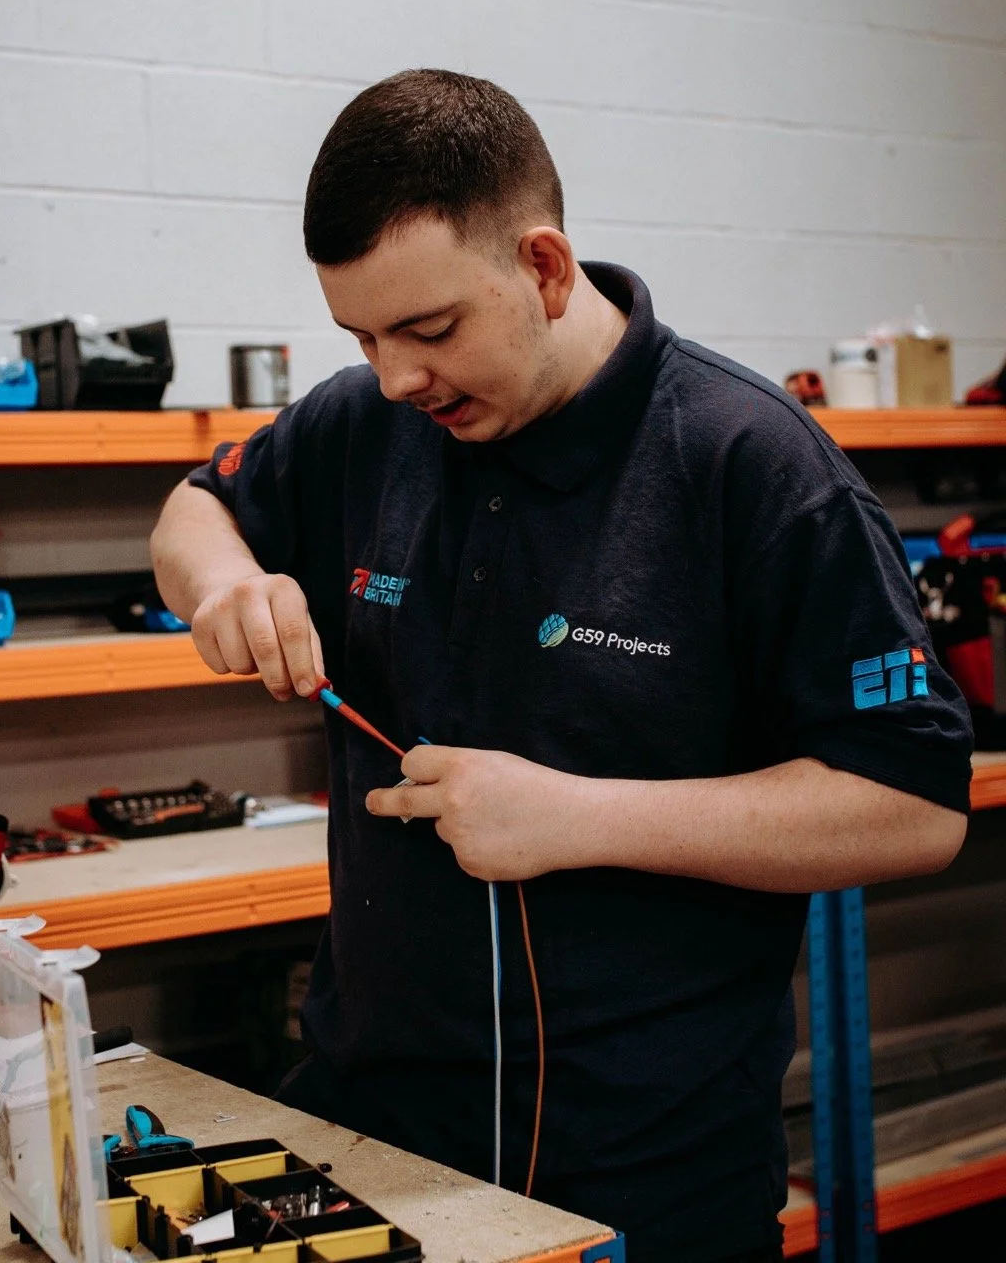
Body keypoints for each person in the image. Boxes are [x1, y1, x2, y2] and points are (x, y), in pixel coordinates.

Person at [151, 69, 972, 1263]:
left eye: (429, 330)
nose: (394, 377)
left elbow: (911, 804)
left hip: (645, 1177)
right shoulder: (363, 423)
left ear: (542, 266)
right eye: (362, 336)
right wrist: (223, 581)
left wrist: (576, 816)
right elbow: (191, 508)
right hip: (367, 1135)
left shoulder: (750, 466)